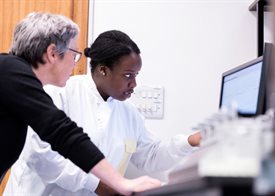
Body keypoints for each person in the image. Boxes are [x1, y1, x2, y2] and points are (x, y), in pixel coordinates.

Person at [4, 30, 201, 195]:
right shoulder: (60, 93)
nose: (134, 84)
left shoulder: (128, 112)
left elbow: (150, 155)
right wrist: (97, 185)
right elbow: (39, 155)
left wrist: (190, 141)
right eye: (127, 75)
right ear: (102, 70)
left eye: (136, 75)